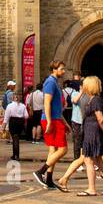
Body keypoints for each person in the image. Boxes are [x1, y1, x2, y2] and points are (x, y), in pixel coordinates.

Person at [33, 61, 68, 190]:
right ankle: (40, 171)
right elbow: (47, 103)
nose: (63, 71)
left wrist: (65, 123)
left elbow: (56, 107)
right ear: (54, 69)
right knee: (63, 149)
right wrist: (48, 121)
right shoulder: (50, 83)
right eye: (61, 69)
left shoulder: (55, 83)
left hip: (55, 118)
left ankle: (48, 180)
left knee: (53, 150)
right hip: (52, 120)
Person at [3, 91, 28, 160]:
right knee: (17, 138)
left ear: (12, 98)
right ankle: (16, 155)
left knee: (14, 138)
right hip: (20, 122)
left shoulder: (9, 106)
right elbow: (26, 116)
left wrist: (4, 126)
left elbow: (6, 117)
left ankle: (15, 155)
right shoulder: (23, 106)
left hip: (13, 121)